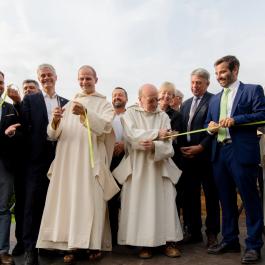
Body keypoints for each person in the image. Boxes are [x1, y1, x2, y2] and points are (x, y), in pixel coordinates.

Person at [36, 65, 119, 264]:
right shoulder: (68, 104)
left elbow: (105, 127)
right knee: (70, 201)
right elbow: (52, 134)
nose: (84, 82)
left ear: (96, 79)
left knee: (92, 201)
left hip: (91, 161)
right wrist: (55, 121)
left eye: (88, 78)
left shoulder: (104, 104)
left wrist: (86, 113)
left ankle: (93, 246)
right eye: (81, 79)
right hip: (69, 161)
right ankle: (70, 245)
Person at [113, 84, 183, 259]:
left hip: (159, 168)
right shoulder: (130, 114)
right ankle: (145, 245)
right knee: (141, 206)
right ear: (140, 99)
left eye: (156, 100)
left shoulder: (164, 116)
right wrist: (156, 134)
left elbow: (169, 147)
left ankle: (169, 242)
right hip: (137, 168)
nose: (154, 103)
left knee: (165, 204)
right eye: (150, 100)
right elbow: (131, 134)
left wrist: (154, 145)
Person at [206, 55, 265, 264]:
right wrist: (211, 127)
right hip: (219, 154)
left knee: (250, 200)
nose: (219, 77)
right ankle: (230, 240)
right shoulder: (214, 99)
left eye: (222, 72)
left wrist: (236, 120)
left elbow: (262, 115)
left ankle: (253, 245)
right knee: (226, 200)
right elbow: (208, 124)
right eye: (216, 74)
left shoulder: (253, 90)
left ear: (235, 70)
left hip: (241, 152)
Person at [21, 64, 68, 265]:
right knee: (32, 203)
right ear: (39, 78)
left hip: (62, 157)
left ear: (56, 77)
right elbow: (24, 128)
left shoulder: (66, 102)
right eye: (43, 75)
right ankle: (30, 249)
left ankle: (50, 245)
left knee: (56, 202)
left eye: (50, 75)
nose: (46, 78)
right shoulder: (30, 100)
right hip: (37, 158)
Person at [179, 68, 220, 247]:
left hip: (206, 157)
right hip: (188, 158)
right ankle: (193, 231)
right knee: (190, 196)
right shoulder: (185, 104)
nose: (195, 86)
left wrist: (201, 147)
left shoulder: (214, 100)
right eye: (193, 82)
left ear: (207, 84)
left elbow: (214, 129)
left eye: (199, 83)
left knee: (211, 196)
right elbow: (182, 128)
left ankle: (212, 233)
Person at [5, 79, 40, 257]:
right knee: (21, 206)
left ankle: (39, 242)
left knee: (38, 204)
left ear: (38, 91)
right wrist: (18, 102)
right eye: (25, 88)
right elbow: (19, 122)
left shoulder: (44, 107)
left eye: (31, 88)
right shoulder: (15, 107)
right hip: (20, 164)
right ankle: (21, 242)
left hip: (40, 164)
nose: (28, 90)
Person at [0, 71, 20, 265]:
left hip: (4, 165)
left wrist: (11, 135)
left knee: (3, 209)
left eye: (1, 82)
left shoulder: (10, 108)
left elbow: (19, 132)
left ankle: (3, 252)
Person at [109, 87, 128, 246]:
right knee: (111, 199)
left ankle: (128, 235)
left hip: (127, 159)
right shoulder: (107, 116)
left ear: (126, 99)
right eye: (114, 95)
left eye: (120, 95)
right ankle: (113, 235)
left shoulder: (132, 116)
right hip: (109, 161)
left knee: (127, 198)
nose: (117, 97)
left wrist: (124, 144)